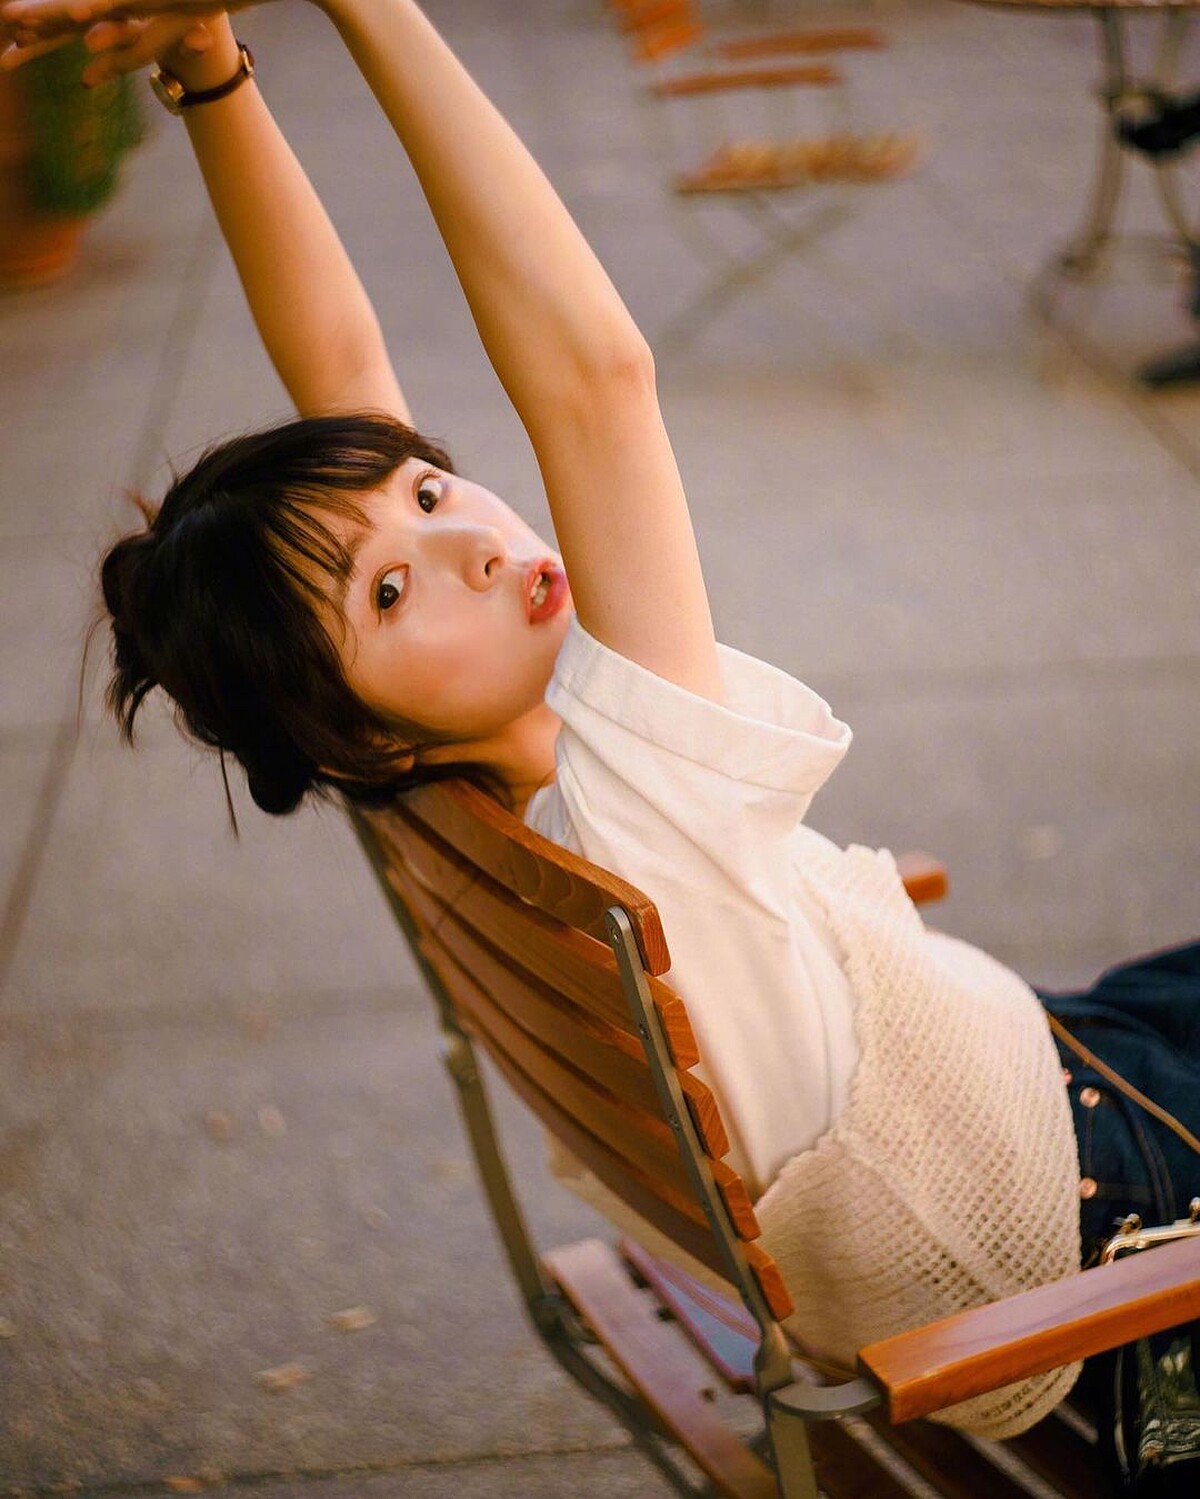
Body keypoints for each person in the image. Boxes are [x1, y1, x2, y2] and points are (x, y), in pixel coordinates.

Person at [2, 0, 1197, 1477]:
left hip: (1030, 1069)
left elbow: (344, 366)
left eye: (428, 495)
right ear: (357, 732)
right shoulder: (637, 813)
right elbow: (597, 382)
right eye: (392, 593)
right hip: (1102, 1220)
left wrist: (211, 65)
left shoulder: (429, 785)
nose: (473, 544)